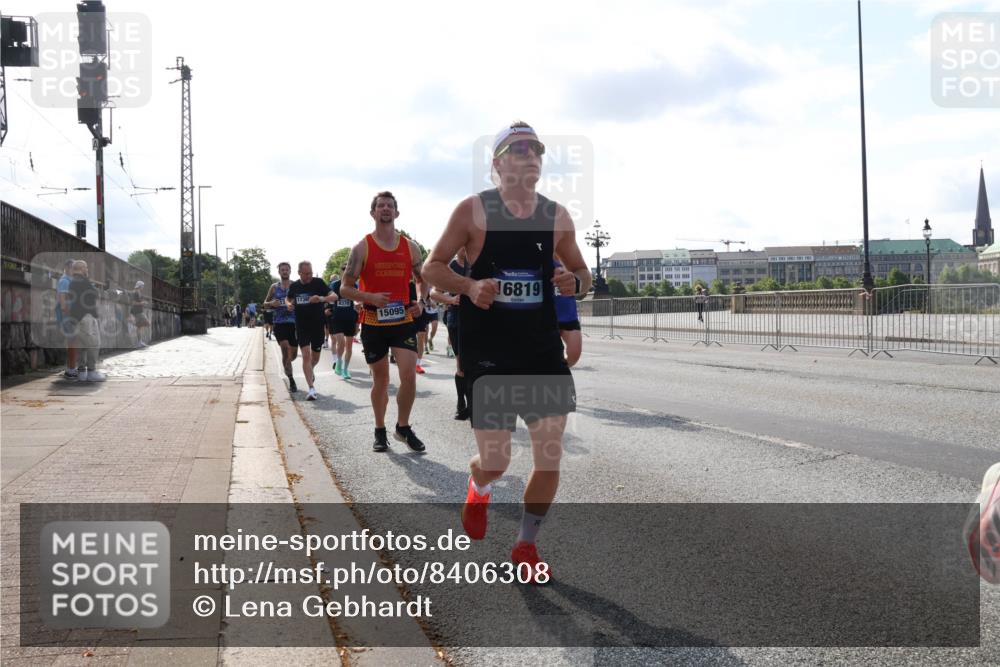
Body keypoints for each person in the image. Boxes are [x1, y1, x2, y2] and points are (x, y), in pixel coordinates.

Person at [422, 121, 592, 581]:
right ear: (497, 163)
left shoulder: (557, 216)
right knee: (498, 461)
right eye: (518, 148)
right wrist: (469, 284)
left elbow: (582, 271)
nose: (530, 154)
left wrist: (574, 282)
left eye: (536, 148)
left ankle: (526, 545)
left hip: (540, 352)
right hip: (489, 353)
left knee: (549, 456)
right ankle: (478, 487)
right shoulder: (473, 211)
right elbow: (432, 268)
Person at [339, 191, 427, 453]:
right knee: (381, 380)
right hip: (373, 322)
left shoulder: (410, 247)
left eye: (390, 205)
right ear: (373, 213)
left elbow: (422, 279)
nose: (385, 209)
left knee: (409, 376)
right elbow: (345, 288)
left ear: (396, 213)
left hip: (403, 320)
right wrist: (369, 297)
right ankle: (379, 429)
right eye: (380, 206)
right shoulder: (362, 248)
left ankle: (403, 426)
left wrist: (421, 302)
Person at [285, 261, 336, 400]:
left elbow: (334, 296)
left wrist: (321, 298)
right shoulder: (294, 286)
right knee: (306, 355)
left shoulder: (318, 283)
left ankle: (310, 369)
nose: (309, 276)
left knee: (315, 358)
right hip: (302, 325)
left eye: (311, 273)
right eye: (306, 274)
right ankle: (311, 389)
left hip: (318, 325)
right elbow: (288, 298)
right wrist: (289, 304)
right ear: (299, 273)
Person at [430, 248, 470, 419]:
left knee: (477, 365)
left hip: (479, 320)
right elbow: (434, 293)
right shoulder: (450, 266)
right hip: (457, 320)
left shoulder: (477, 263)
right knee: (462, 366)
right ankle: (461, 403)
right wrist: (451, 299)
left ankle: (474, 404)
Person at [66, 260, 106, 382]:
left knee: (82, 345)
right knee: (93, 344)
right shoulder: (82, 280)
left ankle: (82, 372)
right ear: (82, 268)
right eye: (86, 267)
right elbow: (94, 293)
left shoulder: (73, 281)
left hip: (77, 317)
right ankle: (92, 372)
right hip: (86, 317)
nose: (87, 270)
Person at [263, 262, 298, 392]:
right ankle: (291, 379)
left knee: (292, 354)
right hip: (279, 323)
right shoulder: (274, 287)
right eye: (282, 270)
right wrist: (271, 303)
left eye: (286, 270)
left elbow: (302, 301)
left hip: (294, 323)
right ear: (279, 272)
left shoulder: (295, 286)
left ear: (290, 271)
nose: (284, 272)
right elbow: (264, 304)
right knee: (284, 348)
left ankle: (288, 361)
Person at [327, 265, 360, 380]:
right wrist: (327, 307)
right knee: (340, 342)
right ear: (341, 272)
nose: (347, 273)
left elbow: (357, 304)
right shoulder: (335, 285)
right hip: (337, 318)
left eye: (349, 271)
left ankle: (346, 369)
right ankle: (339, 361)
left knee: (349, 345)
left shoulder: (355, 285)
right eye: (344, 271)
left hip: (350, 319)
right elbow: (328, 298)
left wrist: (357, 323)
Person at [554, 260, 582, 367]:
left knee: (574, 354)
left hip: (568, 315)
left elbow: (583, 273)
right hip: (546, 316)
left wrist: (577, 282)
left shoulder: (565, 256)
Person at [55, 259, 79, 379]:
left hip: (70, 315)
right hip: (67, 315)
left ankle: (71, 367)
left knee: (73, 342)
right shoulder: (64, 281)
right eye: (73, 268)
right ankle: (71, 369)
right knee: (72, 341)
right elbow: (63, 302)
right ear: (67, 267)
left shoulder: (69, 280)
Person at [130, 280, 150, 348]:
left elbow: (137, 302)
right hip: (137, 312)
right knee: (147, 323)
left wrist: (143, 303)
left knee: (139, 327)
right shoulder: (135, 292)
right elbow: (133, 303)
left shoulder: (138, 292)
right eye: (142, 286)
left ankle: (140, 342)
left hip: (139, 311)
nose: (143, 287)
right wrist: (142, 303)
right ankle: (140, 342)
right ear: (140, 286)